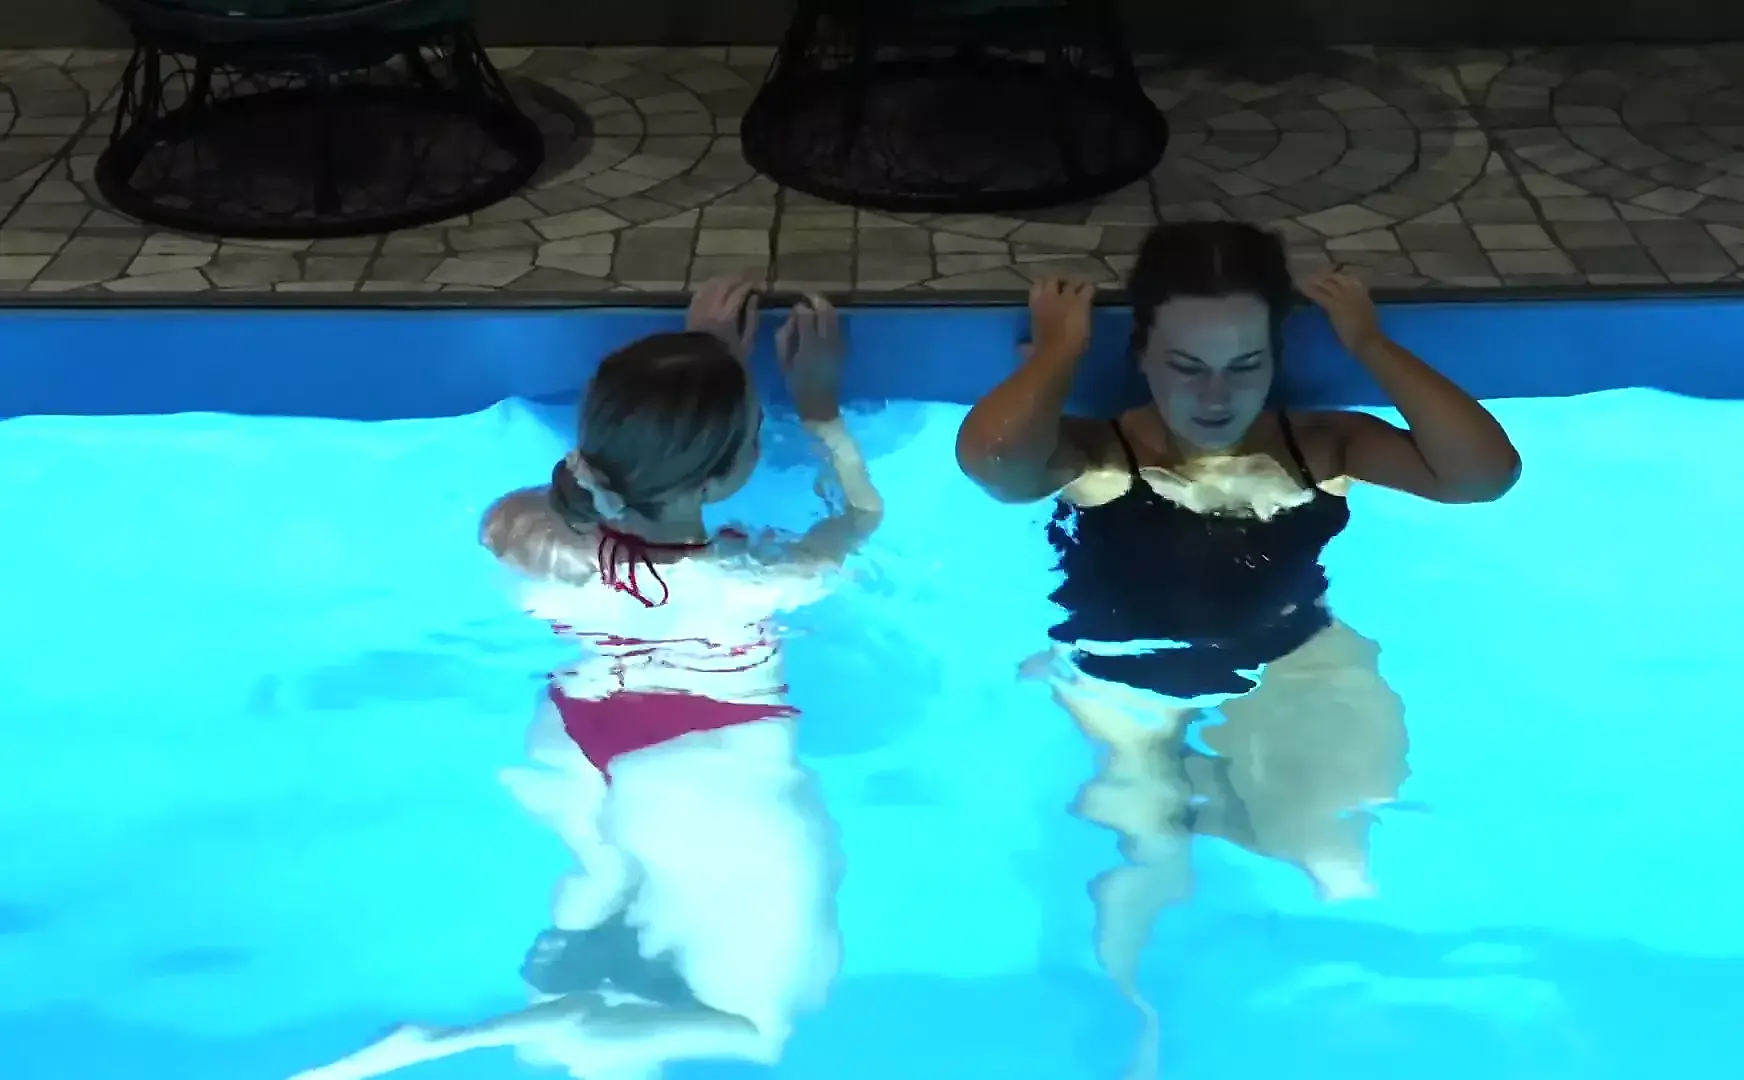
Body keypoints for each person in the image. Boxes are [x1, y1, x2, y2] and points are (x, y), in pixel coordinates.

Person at [956, 222, 1520, 1079]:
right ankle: (1138, 1032)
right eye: (1187, 366)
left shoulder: (1318, 446)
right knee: (1146, 848)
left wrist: (1370, 344)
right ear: (1141, 353)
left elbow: (1483, 476)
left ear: (1277, 355)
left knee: (1338, 860)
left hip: (1294, 662)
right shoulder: (1100, 454)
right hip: (1125, 679)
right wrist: (1061, 351)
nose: (1216, 396)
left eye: (1245, 365)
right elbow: (995, 464)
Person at [290, 280, 883, 1080]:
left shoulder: (528, 544)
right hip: (709, 762)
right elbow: (861, 516)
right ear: (725, 476)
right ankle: (455, 1039)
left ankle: (575, 978)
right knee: (758, 1027)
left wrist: (696, 379)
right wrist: (819, 409)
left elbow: (556, 504)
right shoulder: (760, 581)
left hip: (575, 729)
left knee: (608, 874)